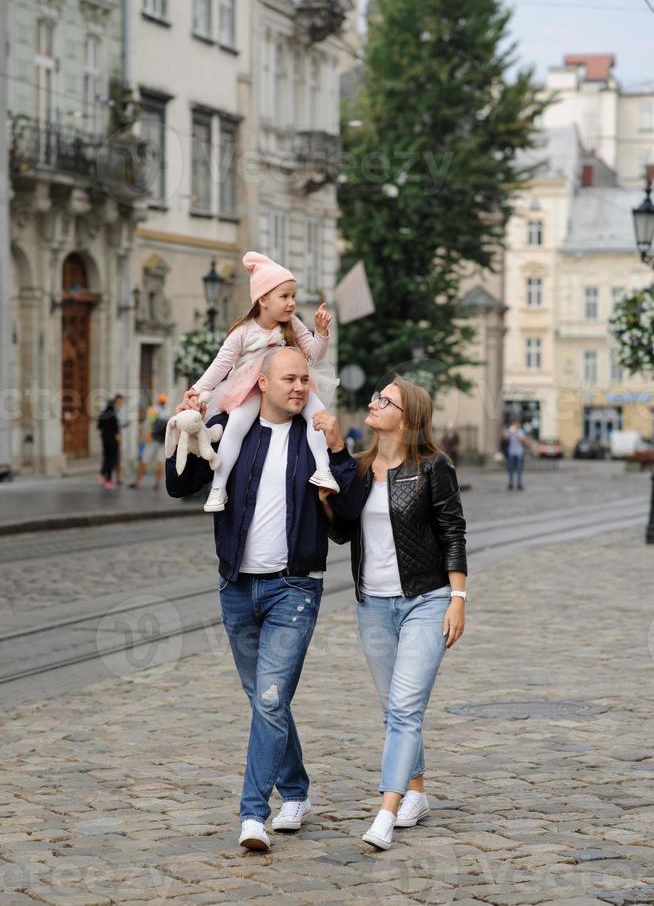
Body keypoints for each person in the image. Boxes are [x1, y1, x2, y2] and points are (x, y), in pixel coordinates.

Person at [167, 347, 364, 851]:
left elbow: (346, 521)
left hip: (295, 587)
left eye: (305, 379)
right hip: (236, 586)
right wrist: (188, 426)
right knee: (265, 700)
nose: (299, 387)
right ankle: (296, 790)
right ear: (262, 382)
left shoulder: (317, 435)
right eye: (289, 379)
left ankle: (253, 814)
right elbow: (179, 484)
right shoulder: (234, 430)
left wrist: (340, 453)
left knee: (272, 698)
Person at [321, 376, 468, 851]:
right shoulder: (361, 469)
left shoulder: (433, 467)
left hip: (426, 601)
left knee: (405, 707)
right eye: (376, 397)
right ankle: (418, 793)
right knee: (395, 708)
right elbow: (344, 535)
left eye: (385, 400)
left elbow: (453, 532)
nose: (374, 402)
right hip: (373, 604)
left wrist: (458, 600)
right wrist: (328, 506)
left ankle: (385, 811)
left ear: (407, 417)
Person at [182, 251, 340, 514]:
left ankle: (323, 470)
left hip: (286, 385)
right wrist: (197, 390)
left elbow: (314, 353)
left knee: (318, 415)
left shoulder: (292, 324)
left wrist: (321, 333)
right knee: (236, 426)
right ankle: (218, 487)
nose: (291, 303)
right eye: (285, 296)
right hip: (249, 387)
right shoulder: (243, 332)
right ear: (263, 300)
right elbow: (220, 365)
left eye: (293, 296)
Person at [129, 394, 169, 490]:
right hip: (163, 440)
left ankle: (137, 482)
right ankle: (157, 484)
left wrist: (144, 437)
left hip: (152, 439)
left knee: (144, 461)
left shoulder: (152, 409)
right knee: (160, 462)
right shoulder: (167, 412)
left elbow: (149, 425)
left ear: (157, 401)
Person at [97, 396, 122, 490]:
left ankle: (104, 478)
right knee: (111, 461)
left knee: (106, 459)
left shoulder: (103, 414)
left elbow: (99, 426)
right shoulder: (113, 416)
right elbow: (116, 431)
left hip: (105, 440)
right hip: (112, 442)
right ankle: (108, 480)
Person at [503, 420, 529, 490]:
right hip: (511, 452)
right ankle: (510, 483)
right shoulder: (509, 431)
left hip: (519, 453)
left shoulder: (520, 432)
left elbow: (525, 441)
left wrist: (517, 435)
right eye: (515, 424)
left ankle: (519, 484)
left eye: (517, 424)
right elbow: (505, 438)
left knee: (519, 469)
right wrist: (509, 433)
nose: (516, 425)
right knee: (510, 469)